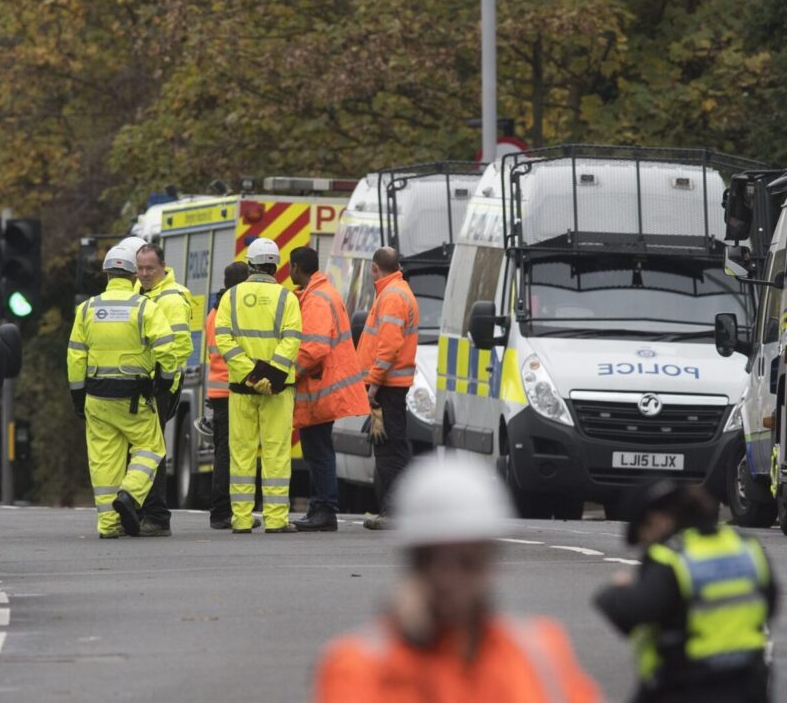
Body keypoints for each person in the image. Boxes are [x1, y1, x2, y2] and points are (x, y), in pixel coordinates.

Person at [314, 457, 601, 703]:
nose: (447, 577)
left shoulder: (542, 652)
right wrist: (411, 645)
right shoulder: (358, 665)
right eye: (430, 559)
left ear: (490, 562)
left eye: (467, 561)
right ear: (411, 564)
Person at [594, 481, 777, 703]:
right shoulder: (746, 547)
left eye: (643, 535)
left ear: (656, 521)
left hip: (688, 686)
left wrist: (615, 590)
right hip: (749, 683)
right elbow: (770, 603)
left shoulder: (672, 558)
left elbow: (634, 611)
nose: (645, 545)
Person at [67, 244, 178, 538]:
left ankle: (108, 525)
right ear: (133, 275)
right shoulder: (145, 307)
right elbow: (168, 349)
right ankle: (129, 494)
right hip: (134, 398)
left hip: (97, 398)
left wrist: (78, 397)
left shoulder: (87, 309)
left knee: (104, 462)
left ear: (106, 274)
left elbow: (75, 357)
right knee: (151, 448)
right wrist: (164, 382)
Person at [214, 237, 302, 534]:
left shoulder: (231, 297)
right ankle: (276, 520)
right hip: (278, 390)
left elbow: (223, 340)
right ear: (276, 266)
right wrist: (272, 376)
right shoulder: (287, 298)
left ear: (250, 264)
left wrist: (249, 373)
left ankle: (241, 519)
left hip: (242, 389)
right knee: (276, 453)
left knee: (241, 452)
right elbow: (292, 339)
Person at [288, 246, 369, 532]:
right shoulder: (320, 293)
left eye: (290, 267)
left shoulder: (318, 299)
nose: (289, 272)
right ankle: (319, 507)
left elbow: (314, 347)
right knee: (317, 450)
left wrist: (287, 373)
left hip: (320, 387)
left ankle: (324, 509)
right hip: (323, 386)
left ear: (297, 267)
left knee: (318, 451)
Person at [356, 247, 418, 530]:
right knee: (390, 448)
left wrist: (374, 384)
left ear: (374, 268)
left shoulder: (392, 296)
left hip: (387, 387)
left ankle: (396, 513)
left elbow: (389, 347)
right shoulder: (396, 291)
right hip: (390, 385)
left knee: (390, 450)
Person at [134, 243, 194, 537]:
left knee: (151, 449)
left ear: (163, 267)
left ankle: (156, 516)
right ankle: (143, 512)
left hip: (158, 384)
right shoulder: (137, 293)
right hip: (137, 384)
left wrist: (164, 382)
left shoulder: (171, 298)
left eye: (150, 269)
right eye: (140, 268)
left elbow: (180, 346)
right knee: (141, 449)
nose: (144, 274)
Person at [199, 261, 254, 530]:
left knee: (225, 451)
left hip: (219, 389)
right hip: (231, 388)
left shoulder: (215, 311)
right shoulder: (231, 312)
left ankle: (224, 510)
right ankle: (222, 511)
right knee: (228, 454)